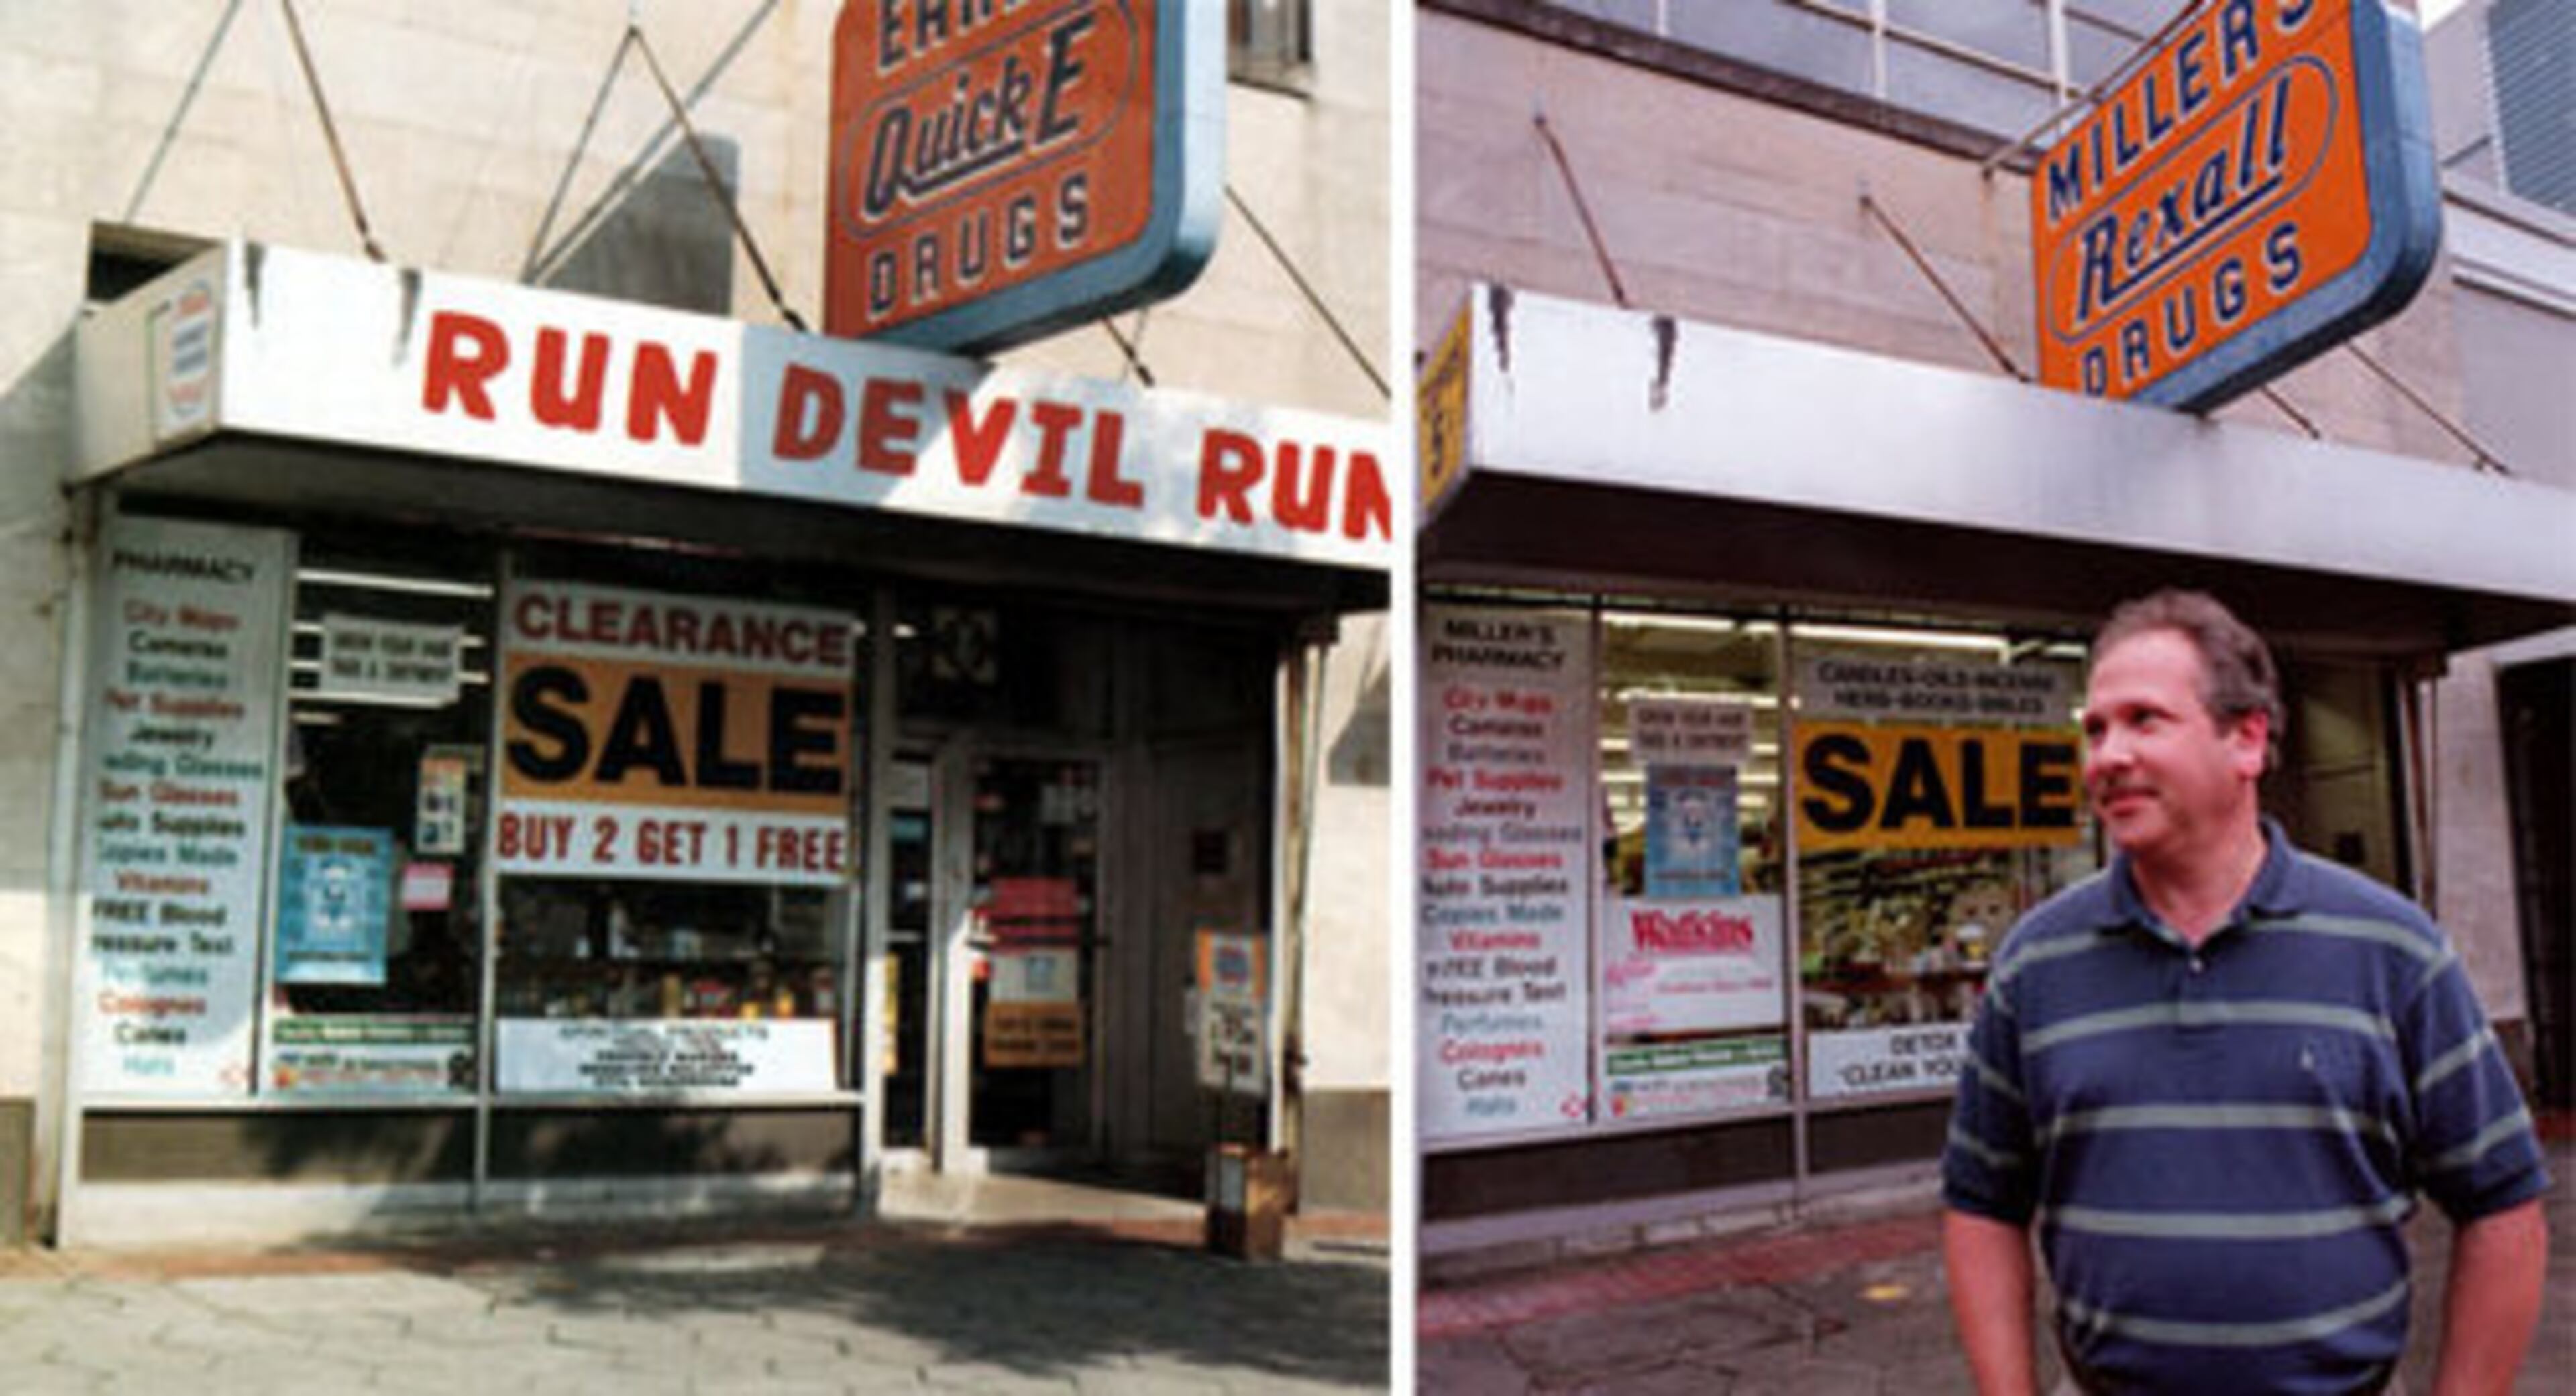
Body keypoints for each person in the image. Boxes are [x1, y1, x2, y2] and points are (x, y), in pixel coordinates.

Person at [1941, 590, 2550, 1395]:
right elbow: (1982, 1201)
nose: (2107, 755)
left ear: (2248, 739)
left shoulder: (2394, 948)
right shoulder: (2036, 961)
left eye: (2145, 719)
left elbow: (2503, 1200)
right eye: (2095, 727)